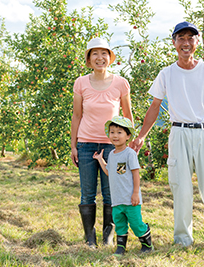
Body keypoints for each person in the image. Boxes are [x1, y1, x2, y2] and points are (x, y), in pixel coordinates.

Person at [130, 21, 204, 250]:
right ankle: (183, 240)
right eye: (181, 38)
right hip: (179, 133)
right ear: (174, 42)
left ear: (198, 42)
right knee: (181, 188)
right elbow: (155, 106)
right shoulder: (167, 73)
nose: (186, 43)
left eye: (190, 38)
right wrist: (142, 135)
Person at [71, 38, 133, 248]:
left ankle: (108, 236)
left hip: (113, 147)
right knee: (87, 192)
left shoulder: (120, 83)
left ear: (110, 57)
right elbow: (77, 116)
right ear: (89, 59)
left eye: (103, 53)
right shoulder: (80, 83)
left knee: (111, 192)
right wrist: (74, 144)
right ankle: (90, 238)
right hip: (86, 144)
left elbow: (127, 116)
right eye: (94, 54)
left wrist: (127, 146)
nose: (100, 58)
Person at [93, 116, 153, 255]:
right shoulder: (112, 155)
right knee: (119, 224)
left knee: (136, 224)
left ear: (128, 136)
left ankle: (147, 245)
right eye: (112, 132)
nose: (115, 135)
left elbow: (135, 174)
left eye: (119, 132)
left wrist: (135, 193)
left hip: (131, 199)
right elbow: (109, 172)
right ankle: (121, 247)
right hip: (117, 199)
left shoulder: (129, 154)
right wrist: (100, 160)